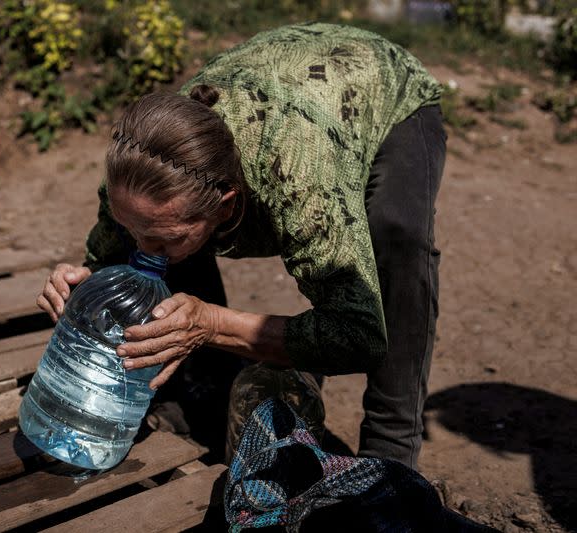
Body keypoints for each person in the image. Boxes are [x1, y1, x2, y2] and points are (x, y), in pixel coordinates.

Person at [37, 22, 446, 470]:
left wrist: (213, 323)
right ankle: (205, 393)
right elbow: (113, 254)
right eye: (129, 226)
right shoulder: (137, 168)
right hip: (277, 75)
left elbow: (357, 335)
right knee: (167, 251)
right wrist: (84, 280)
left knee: (398, 240)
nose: (142, 248)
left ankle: (392, 455)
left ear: (228, 202)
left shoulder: (296, 181)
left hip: (376, 88)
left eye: (163, 236)